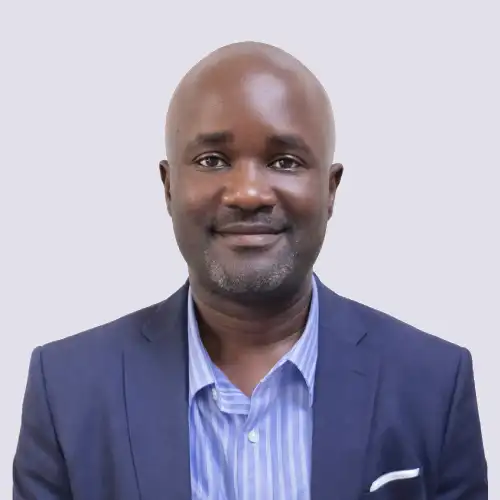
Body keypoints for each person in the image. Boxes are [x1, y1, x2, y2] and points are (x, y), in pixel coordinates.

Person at [13, 41, 487, 500]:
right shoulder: (67, 391)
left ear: (330, 190)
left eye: (284, 161)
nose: (248, 193)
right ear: (169, 187)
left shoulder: (433, 384)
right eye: (212, 160)